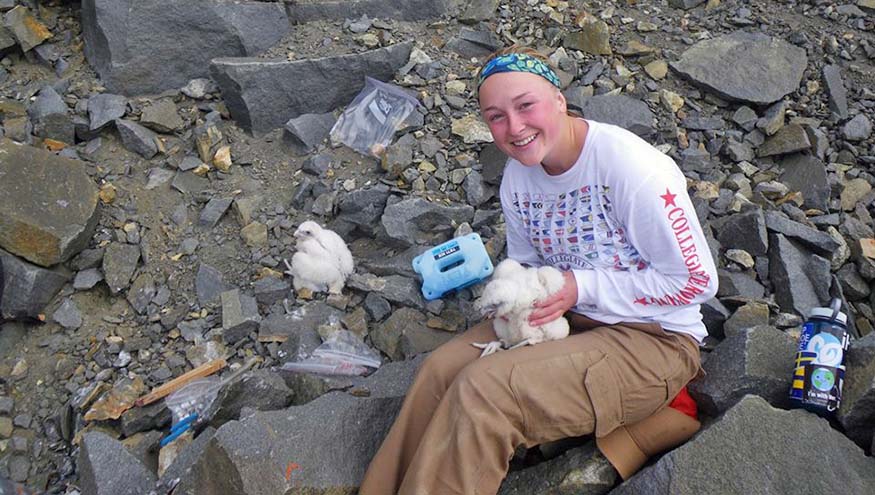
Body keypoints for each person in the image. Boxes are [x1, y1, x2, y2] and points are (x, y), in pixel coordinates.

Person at [359, 46, 718, 495]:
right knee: (440, 370)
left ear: (559, 100)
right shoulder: (519, 176)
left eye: (525, 105)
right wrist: (513, 296)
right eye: (496, 117)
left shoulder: (633, 169)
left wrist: (578, 286)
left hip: (653, 340)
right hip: (561, 318)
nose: (515, 128)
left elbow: (697, 281)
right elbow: (527, 264)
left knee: (485, 390)